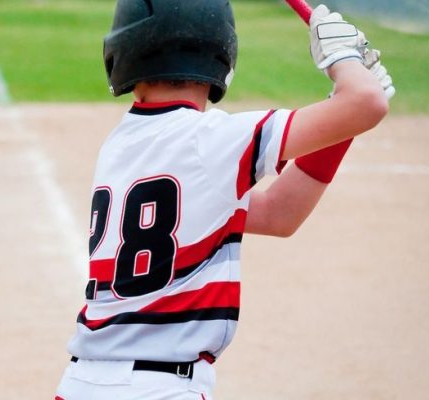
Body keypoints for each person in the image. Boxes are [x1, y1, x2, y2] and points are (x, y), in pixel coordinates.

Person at [54, 1, 393, 399]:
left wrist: (345, 116)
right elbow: (366, 104)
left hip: (80, 386)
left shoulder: (121, 144)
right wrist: (344, 58)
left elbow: (277, 215)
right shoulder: (210, 139)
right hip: (159, 388)